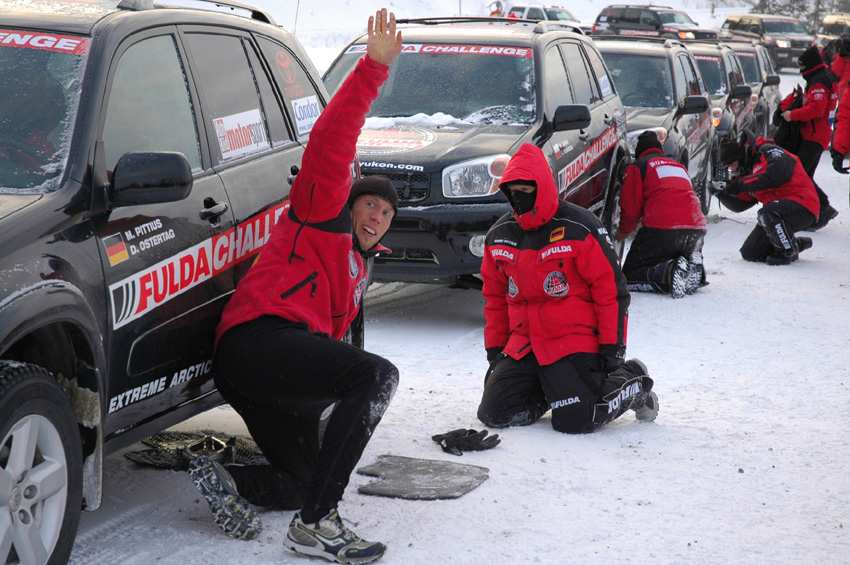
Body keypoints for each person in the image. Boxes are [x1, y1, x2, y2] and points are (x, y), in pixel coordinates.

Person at [188, 10, 403, 564]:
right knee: (377, 376)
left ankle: (229, 479)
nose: (376, 215)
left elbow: (332, 349)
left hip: (269, 373)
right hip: (259, 342)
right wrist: (372, 71)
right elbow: (332, 138)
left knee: (308, 475)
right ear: (349, 204)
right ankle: (317, 526)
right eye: (369, 204)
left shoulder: (358, 268)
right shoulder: (319, 215)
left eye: (386, 212)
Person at [476, 144, 658, 435]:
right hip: (525, 344)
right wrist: (496, 351)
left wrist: (613, 351)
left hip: (573, 341)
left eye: (526, 190)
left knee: (577, 420)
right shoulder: (499, 235)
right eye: (513, 191)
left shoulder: (581, 228)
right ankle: (555, 391)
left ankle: (634, 379)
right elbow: (495, 300)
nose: (518, 198)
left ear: (542, 187)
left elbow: (611, 293)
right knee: (495, 414)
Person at [617, 131, 707, 298]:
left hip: (663, 228)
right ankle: (693, 267)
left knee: (628, 276)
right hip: (696, 228)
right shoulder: (677, 166)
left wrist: (621, 233)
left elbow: (630, 209)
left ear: (639, 151)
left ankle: (669, 272)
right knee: (670, 254)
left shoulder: (638, 167)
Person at [714, 132, 819, 265]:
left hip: (803, 204)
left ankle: (787, 252)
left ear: (740, 157)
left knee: (766, 213)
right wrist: (721, 194)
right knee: (750, 253)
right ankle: (793, 244)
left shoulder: (768, 151)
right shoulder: (747, 174)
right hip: (777, 213)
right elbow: (740, 205)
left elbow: (776, 174)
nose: (731, 169)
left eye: (732, 164)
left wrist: (740, 185)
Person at [779, 46, 838, 229]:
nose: (801, 70)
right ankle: (815, 211)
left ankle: (823, 208)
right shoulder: (821, 78)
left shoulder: (819, 82)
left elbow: (816, 109)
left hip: (814, 136)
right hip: (815, 134)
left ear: (810, 65)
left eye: (802, 66)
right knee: (804, 175)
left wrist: (792, 115)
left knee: (801, 175)